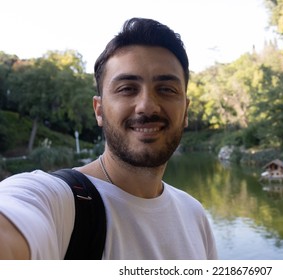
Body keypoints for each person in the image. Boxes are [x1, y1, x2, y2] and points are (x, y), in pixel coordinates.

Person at [0, 17, 218, 260]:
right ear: (99, 110)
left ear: (186, 111)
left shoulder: (195, 216)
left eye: (166, 89)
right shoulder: (55, 203)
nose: (147, 107)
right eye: (127, 88)